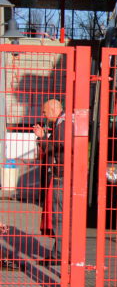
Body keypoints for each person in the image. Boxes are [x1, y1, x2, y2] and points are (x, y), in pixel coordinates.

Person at [33, 99, 65, 260]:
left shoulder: (62, 125)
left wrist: (42, 138)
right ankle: (59, 252)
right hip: (62, 174)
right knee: (60, 216)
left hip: (62, 176)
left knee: (59, 217)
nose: (44, 115)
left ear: (53, 110)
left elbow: (55, 148)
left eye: (45, 112)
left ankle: (59, 254)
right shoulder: (62, 123)